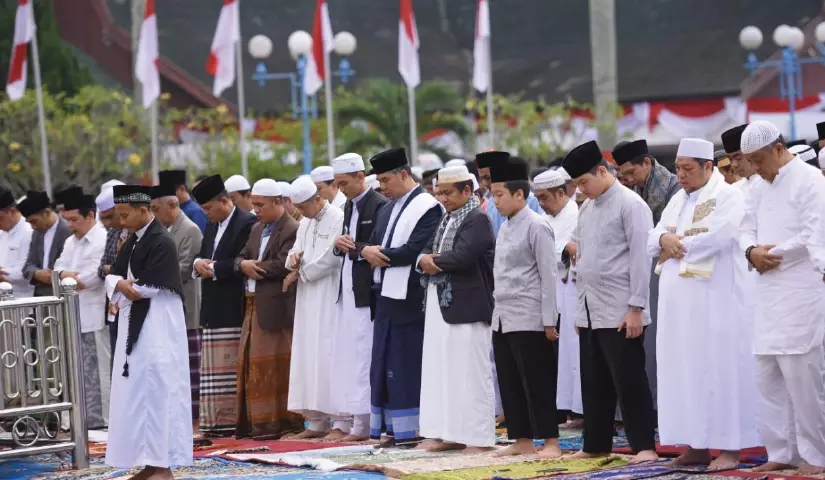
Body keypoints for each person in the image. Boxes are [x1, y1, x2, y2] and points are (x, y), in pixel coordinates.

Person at [648, 138, 759, 470]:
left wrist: (675, 245)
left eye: (687, 168)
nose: (680, 175)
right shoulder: (678, 199)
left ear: (708, 167)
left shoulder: (728, 195)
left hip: (715, 302)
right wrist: (663, 240)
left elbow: (721, 236)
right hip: (679, 308)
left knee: (718, 371)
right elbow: (653, 235)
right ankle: (695, 445)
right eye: (678, 168)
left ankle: (728, 449)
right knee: (683, 372)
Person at [563, 141, 658, 464]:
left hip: (621, 310)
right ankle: (596, 444)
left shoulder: (631, 205)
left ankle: (643, 446)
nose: (581, 189)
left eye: (583, 182)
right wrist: (580, 309)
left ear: (601, 171)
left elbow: (640, 260)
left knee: (629, 382)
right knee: (594, 383)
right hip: (591, 309)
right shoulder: (587, 208)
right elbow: (582, 260)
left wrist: (636, 308)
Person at [739, 121, 825, 476]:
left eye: (759, 159)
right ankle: (781, 452)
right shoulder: (757, 187)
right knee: (768, 376)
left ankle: (817, 457)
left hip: (801, 291)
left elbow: (814, 236)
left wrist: (769, 255)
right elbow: (744, 226)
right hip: (766, 293)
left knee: (805, 380)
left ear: (778, 148)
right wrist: (749, 250)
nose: (755, 168)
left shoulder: (811, 181)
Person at [106, 185, 192, 479]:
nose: (121, 221)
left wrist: (124, 286)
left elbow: (151, 286)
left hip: (158, 328)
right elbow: (115, 275)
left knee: (157, 392)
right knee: (138, 394)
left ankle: (163, 466)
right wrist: (119, 285)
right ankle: (150, 463)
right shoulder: (133, 241)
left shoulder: (161, 242)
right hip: (136, 328)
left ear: (144, 211)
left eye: (125, 214)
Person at [361, 148, 442, 445]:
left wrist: (372, 252)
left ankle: (416, 428)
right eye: (379, 181)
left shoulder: (428, 207)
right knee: (384, 364)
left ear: (404, 174)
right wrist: (363, 250)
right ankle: (393, 429)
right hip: (384, 296)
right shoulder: (386, 208)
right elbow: (370, 247)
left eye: (385, 180)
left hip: (410, 299)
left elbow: (412, 252)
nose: (382, 187)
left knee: (407, 363)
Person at [416, 165, 496, 453]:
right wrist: (427, 258)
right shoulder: (446, 217)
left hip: (469, 306)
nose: (442, 199)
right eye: (439, 193)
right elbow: (424, 249)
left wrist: (431, 260)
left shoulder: (477, 219)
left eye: (447, 193)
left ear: (466, 190)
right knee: (440, 370)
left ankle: (477, 438)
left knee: (470, 374)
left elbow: (464, 256)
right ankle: (446, 433)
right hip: (442, 302)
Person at [485, 158, 561, 458]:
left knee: (537, 381)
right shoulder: (504, 227)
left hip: (530, 318)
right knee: (510, 381)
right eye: (492, 194)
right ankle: (523, 439)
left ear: (519, 194)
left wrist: (549, 320)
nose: (495, 201)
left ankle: (551, 441)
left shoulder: (538, 225)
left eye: (500, 194)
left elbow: (549, 275)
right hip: (503, 317)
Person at [234, 179, 304, 438]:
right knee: (252, 368)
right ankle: (257, 425)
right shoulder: (256, 229)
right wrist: (243, 265)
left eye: (261, 205)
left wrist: (254, 267)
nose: (256, 210)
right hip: (253, 306)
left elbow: (284, 264)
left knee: (275, 368)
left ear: (278, 203)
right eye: (253, 205)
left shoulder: (292, 229)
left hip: (275, 309)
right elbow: (241, 256)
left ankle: (282, 424)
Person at [612, 139, 680, 406]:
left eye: (631, 172)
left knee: (657, 346)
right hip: (637, 274)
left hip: (662, 273)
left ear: (648, 163)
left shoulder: (672, 189)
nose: (628, 179)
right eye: (623, 175)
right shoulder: (632, 191)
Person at [191, 175, 257, 436]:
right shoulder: (212, 224)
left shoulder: (246, 222)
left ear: (224, 201)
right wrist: (198, 263)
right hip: (212, 306)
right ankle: (213, 423)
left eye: (208, 208)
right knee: (212, 373)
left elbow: (243, 262)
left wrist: (214, 268)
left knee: (229, 370)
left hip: (233, 306)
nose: (206, 214)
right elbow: (205, 254)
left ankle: (231, 423)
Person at [330, 153, 389, 441]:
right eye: (338, 184)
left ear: (360, 176)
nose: (341, 189)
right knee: (349, 357)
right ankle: (355, 420)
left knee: (364, 355)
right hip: (348, 291)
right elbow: (347, 245)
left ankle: (366, 424)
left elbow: (377, 247)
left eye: (344, 183)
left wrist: (351, 248)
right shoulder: (348, 207)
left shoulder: (379, 205)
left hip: (366, 293)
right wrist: (338, 246)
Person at [284, 175, 345, 438]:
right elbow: (294, 251)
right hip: (307, 296)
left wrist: (302, 271)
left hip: (329, 293)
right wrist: (293, 259)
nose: (300, 213)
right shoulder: (305, 222)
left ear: (318, 199)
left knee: (329, 354)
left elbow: (333, 258)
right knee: (309, 355)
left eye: (303, 207)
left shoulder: (338, 217)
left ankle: (341, 422)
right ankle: (316, 422)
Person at [52, 191, 110, 429]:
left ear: (91, 216)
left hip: (95, 316)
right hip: (71, 316)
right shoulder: (69, 242)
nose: (70, 225)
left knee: (100, 372)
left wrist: (65, 276)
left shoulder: (102, 239)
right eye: (67, 219)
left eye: (74, 219)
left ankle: (105, 423)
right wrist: (64, 275)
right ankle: (82, 423)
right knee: (76, 373)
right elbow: (56, 271)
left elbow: (91, 279)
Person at [150, 184, 204, 434]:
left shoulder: (190, 230)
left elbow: (183, 268)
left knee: (192, 371)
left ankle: (194, 421)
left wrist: (153, 274)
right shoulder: (163, 229)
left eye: (156, 209)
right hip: (166, 307)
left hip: (188, 308)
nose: (154, 214)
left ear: (172, 206)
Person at [532, 169, 582, 426]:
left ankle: (579, 412)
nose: (541, 203)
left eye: (545, 198)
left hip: (571, 294)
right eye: (538, 198)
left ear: (561, 193)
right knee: (557, 359)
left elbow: (571, 248)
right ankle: (563, 410)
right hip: (551, 297)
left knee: (574, 356)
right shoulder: (542, 219)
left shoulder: (576, 214)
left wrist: (559, 248)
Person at [96, 187, 130, 365]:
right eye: (103, 219)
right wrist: (114, 269)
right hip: (114, 304)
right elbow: (101, 269)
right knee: (116, 359)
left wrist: (113, 269)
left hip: (134, 302)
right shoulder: (112, 233)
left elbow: (128, 269)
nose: (107, 223)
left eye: (110, 217)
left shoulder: (136, 231)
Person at [476, 151, 544, 236]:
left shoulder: (530, 200)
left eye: (487, 177)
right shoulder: (491, 203)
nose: (484, 183)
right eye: (481, 179)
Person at [20, 191, 72, 297]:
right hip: (40, 295)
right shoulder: (37, 233)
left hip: (62, 294)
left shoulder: (68, 230)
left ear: (47, 213)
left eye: (34, 221)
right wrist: (37, 273)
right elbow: (27, 267)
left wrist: (53, 275)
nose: (32, 227)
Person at [0, 188, 34, 297]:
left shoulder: (29, 232)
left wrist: (3, 274)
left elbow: (26, 271)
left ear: (11, 211)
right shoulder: (2, 233)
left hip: (23, 301)